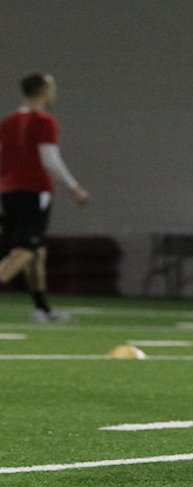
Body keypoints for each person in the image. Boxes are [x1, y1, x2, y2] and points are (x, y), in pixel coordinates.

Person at [0, 73, 90, 322]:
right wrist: (74, 187)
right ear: (43, 92)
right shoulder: (44, 121)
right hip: (34, 190)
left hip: (9, 191)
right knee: (25, 250)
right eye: (51, 88)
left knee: (37, 252)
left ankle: (42, 309)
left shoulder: (8, 122)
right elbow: (50, 159)